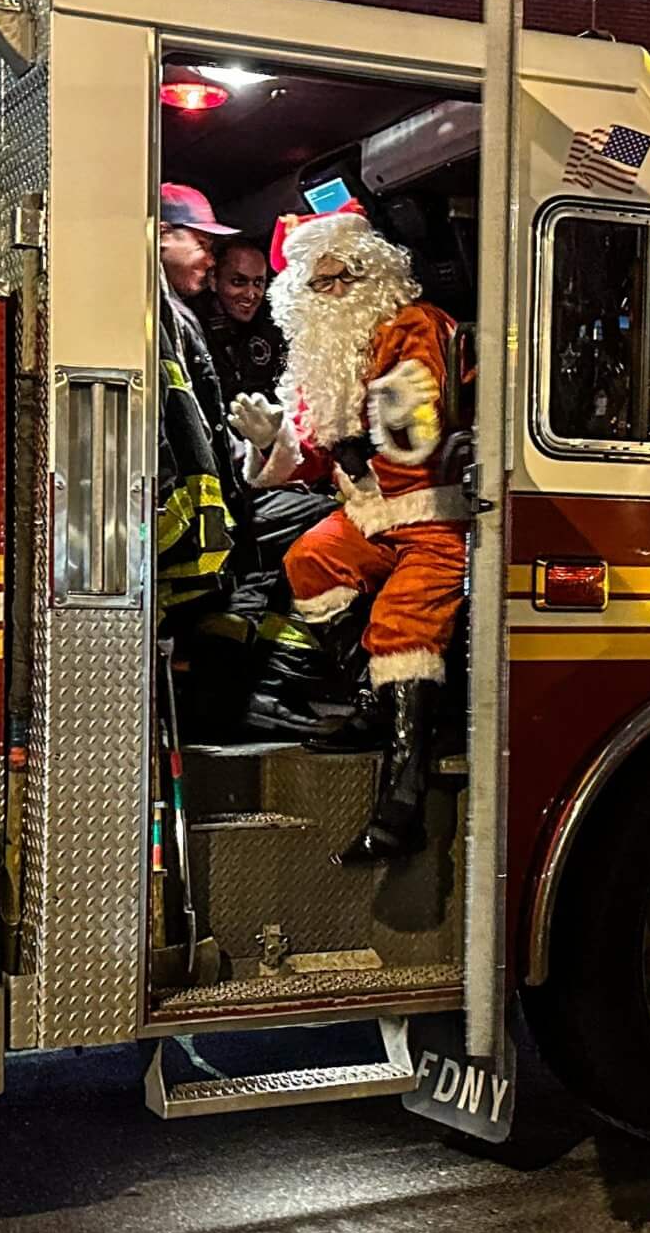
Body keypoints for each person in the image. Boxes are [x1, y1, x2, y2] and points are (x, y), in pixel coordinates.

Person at [230, 206, 470, 861]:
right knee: (311, 559)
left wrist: (361, 434)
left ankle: (403, 798)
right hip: (369, 517)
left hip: (430, 515)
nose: (334, 294)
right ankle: (372, 702)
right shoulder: (324, 360)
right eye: (321, 283)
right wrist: (268, 444)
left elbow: (416, 421)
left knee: (403, 624)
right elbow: (307, 452)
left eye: (344, 278)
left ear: (375, 273)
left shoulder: (415, 325)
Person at [154, 185, 237, 621]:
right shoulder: (156, 310)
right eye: (202, 244)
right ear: (163, 233)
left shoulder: (172, 310)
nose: (210, 260)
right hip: (173, 518)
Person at [195, 239, 284, 403]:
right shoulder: (193, 326)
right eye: (238, 282)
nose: (251, 294)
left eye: (258, 283)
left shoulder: (274, 324)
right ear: (213, 279)